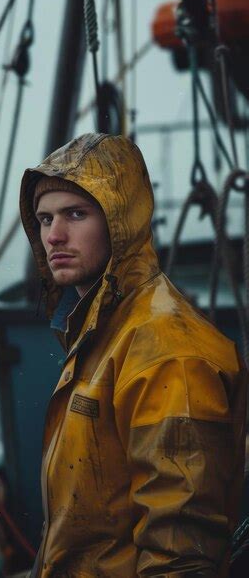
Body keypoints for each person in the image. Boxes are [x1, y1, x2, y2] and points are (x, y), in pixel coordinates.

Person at [19, 133, 246, 577]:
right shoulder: (99, 329)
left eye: (76, 214)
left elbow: (179, 551)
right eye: (44, 219)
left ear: (120, 221)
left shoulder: (169, 353)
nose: (55, 236)